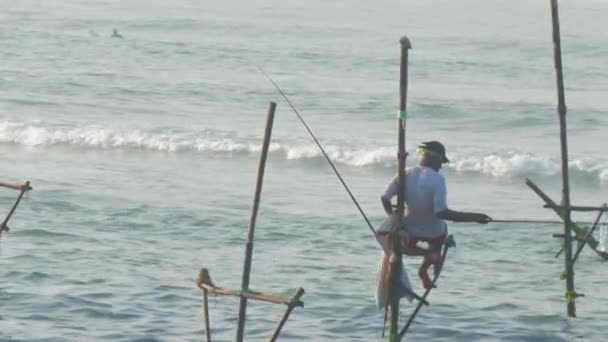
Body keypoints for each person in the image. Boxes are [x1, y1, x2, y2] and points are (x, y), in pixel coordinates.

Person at [381, 141, 491, 289]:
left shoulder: (405, 173)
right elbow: (441, 212)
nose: (440, 166)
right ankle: (427, 264)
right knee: (437, 245)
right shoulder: (437, 179)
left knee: (405, 246)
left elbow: (385, 198)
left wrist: (393, 217)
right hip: (434, 232)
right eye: (440, 162)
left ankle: (428, 259)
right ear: (432, 158)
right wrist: (475, 217)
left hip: (410, 230)